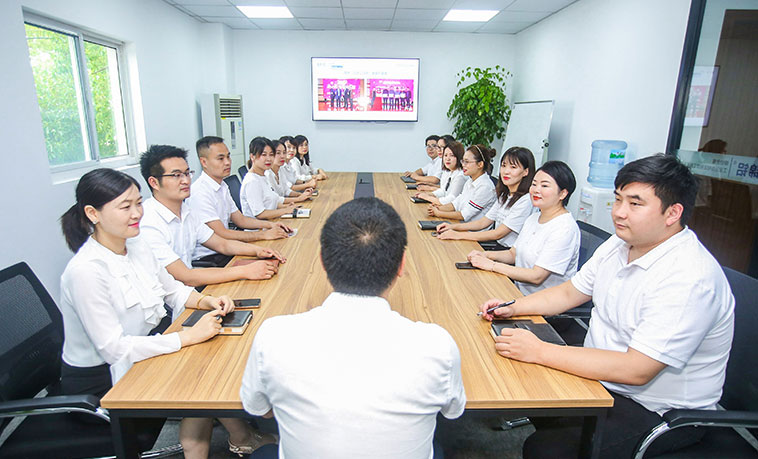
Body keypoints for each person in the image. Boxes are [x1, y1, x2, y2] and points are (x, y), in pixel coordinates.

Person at [478, 154, 735, 458]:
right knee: (522, 381)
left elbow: (637, 370)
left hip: (657, 410)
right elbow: (569, 292)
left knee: (546, 450)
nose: (619, 213)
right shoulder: (620, 244)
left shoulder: (690, 278)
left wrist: (540, 351)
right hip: (603, 378)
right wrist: (513, 307)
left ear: (673, 213)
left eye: (635, 204)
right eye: (618, 199)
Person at [59, 168, 276, 458]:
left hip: (140, 351)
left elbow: (173, 290)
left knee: (212, 358)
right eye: (125, 207)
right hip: (102, 385)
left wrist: (208, 301)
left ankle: (232, 436)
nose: (137, 213)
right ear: (92, 214)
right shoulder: (86, 271)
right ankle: (217, 439)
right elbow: (115, 350)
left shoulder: (135, 244)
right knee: (203, 373)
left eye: (138, 203)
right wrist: (188, 337)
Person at [240, 197, 466, 458]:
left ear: (322, 261)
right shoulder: (438, 346)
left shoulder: (273, 337)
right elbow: (451, 411)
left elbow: (260, 408)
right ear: (402, 265)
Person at [139, 144, 284, 293]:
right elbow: (186, 276)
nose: (186, 181)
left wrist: (259, 251)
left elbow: (221, 244)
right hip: (172, 297)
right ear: (154, 183)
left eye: (187, 173)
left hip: (187, 291)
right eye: (177, 175)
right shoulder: (149, 223)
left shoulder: (185, 211)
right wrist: (245, 271)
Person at [467, 160, 579, 294]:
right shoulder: (534, 218)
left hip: (542, 301)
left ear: (563, 193)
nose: (536, 190)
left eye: (544, 185)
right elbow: (512, 254)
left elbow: (536, 276)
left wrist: (492, 265)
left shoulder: (564, 228)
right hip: (516, 290)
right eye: (534, 184)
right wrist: (486, 255)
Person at [188, 136, 291, 265]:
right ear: (204, 162)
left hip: (227, 249)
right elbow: (222, 234)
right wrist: (263, 235)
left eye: (228, 157)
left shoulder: (222, 186)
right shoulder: (200, 192)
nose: (227, 162)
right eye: (220, 158)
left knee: (280, 256)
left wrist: (270, 225)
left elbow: (240, 220)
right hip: (211, 259)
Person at [436, 147, 535, 247]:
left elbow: (498, 234)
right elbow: (483, 222)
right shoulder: (504, 195)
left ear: (526, 171)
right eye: (503, 166)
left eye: (513, 167)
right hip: (494, 244)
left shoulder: (525, 200)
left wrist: (457, 235)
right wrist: (452, 227)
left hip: (506, 250)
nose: (506, 171)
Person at [428, 144, 496, 222]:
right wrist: (438, 208)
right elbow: (456, 203)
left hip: (469, 228)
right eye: (463, 161)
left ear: (480, 164)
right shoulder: (470, 181)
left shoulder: (485, 187)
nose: (463, 165)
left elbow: (464, 215)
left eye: (467, 162)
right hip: (460, 224)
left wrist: (439, 213)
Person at [240, 137, 299, 220]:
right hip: (260, 226)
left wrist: (286, 207)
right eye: (264, 155)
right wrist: (285, 210)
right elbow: (260, 214)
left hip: (272, 220)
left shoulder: (262, 176)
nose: (269, 159)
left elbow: (271, 201)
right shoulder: (252, 181)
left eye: (271, 155)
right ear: (252, 157)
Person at [414, 140, 467, 205]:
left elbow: (451, 199)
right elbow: (443, 191)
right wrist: (429, 194)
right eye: (445, 155)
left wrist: (428, 197)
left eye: (452, 155)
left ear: (459, 157)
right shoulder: (448, 172)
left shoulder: (460, 176)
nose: (447, 159)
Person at [266, 139, 313, 203]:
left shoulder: (280, 170)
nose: (282, 156)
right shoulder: (267, 174)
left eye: (284, 152)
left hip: (284, 204)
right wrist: (298, 199)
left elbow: (286, 190)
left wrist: (301, 195)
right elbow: (275, 199)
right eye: (278, 153)